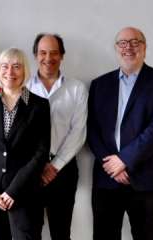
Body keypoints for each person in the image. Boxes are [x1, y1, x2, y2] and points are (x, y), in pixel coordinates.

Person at [88, 27, 153, 240]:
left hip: (147, 177)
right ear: (116, 48)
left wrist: (124, 160)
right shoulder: (100, 85)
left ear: (144, 48)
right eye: (122, 43)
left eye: (135, 42)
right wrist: (112, 165)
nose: (128, 47)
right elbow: (91, 128)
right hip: (107, 177)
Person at [0, 48, 51, 240]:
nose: (10, 72)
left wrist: (14, 191)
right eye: (5, 67)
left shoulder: (39, 106)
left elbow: (40, 153)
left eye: (16, 67)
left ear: (24, 71)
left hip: (24, 196)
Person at [26, 33, 87, 240]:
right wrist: (37, 164)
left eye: (54, 52)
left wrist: (55, 166)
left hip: (64, 171)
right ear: (35, 55)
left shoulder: (77, 88)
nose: (48, 58)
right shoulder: (23, 88)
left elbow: (78, 131)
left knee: (61, 233)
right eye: (43, 52)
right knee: (29, 232)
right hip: (29, 170)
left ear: (62, 56)